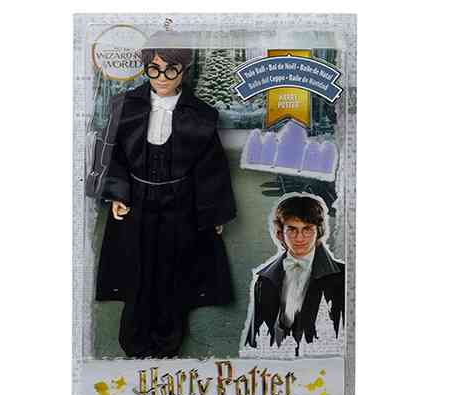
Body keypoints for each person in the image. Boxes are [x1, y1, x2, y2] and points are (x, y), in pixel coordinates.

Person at [94, 40, 236, 358]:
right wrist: (117, 193)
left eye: (170, 70)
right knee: (137, 268)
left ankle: (168, 343)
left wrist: (213, 212)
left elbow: (211, 165)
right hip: (137, 202)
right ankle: (134, 341)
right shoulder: (126, 106)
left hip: (179, 204)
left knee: (176, 269)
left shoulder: (200, 115)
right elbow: (112, 152)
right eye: (154, 69)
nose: (161, 78)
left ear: (183, 70)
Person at [244, 193, 344, 355]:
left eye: (307, 229)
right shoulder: (264, 280)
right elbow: (254, 340)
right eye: (292, 229)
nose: (299, 238)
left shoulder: (343, 277)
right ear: (280, 233)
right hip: (278, 364)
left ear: (318, 231)